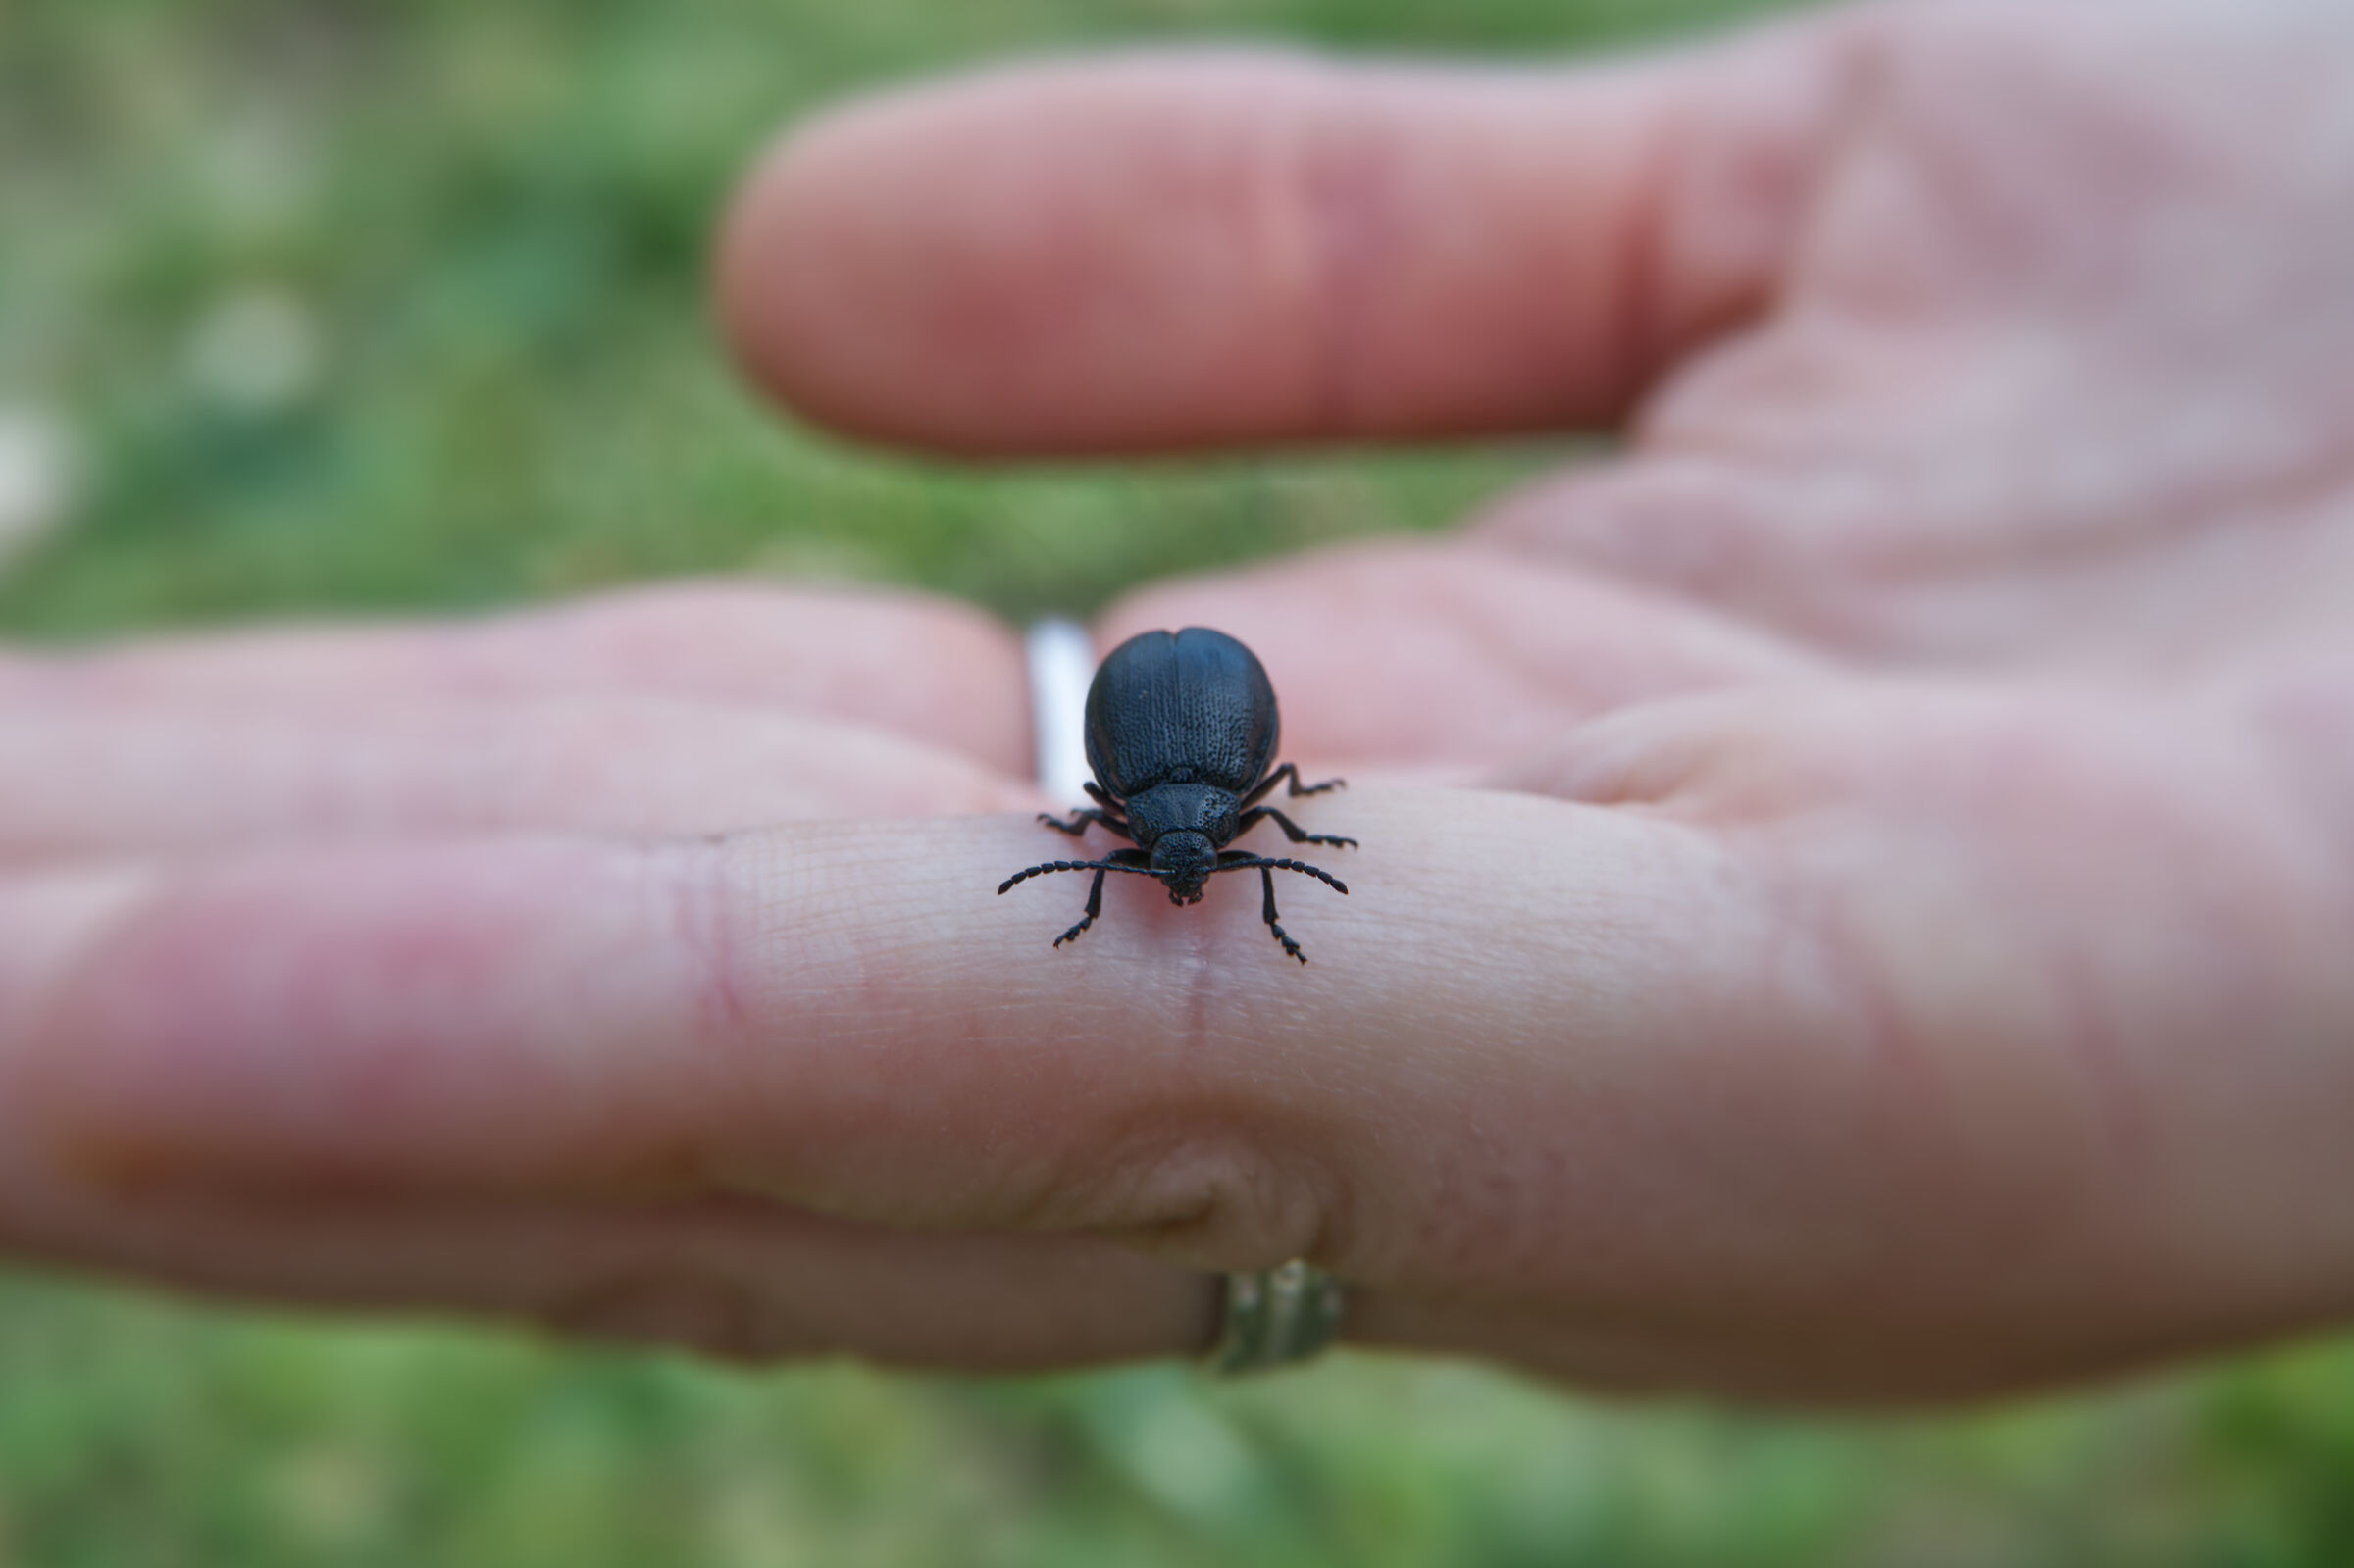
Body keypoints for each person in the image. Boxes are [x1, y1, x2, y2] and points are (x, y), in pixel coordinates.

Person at [4, 0, 2352, 1404]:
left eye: (1201, 852)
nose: (1194, 871)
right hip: (1172, 700)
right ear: (1163, 822)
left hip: (1179, 700)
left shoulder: (1214, 800)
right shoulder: (1171, 800)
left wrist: (1214, 844)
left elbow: (1224, 782)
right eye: (1182, 851)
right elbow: (1181, 782)